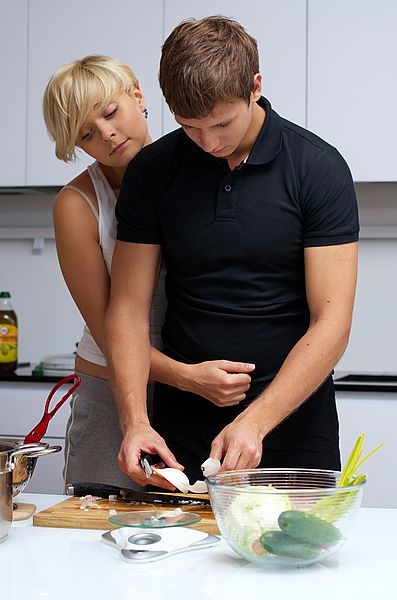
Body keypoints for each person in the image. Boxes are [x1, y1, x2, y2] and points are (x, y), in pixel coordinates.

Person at [105, 15, 359, 487]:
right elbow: (126, 307)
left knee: (295, 553)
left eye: (222, 123)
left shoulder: (318, 168)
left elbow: (333, 322)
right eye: (189, 127)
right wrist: (135, 419)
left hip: (294, 426)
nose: (209, 142)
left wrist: (254, 422)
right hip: (179, 430)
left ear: (255, 87)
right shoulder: (152, 172)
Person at [43, 54, 256, 490]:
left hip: (200, 388)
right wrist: (188, 377)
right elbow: (109, 329)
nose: (108, 134)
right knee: (100, 524)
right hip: (114, 389)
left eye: (110, 112)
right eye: (87, 132)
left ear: (137, 97)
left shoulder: (208, 164)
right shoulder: (77, 206)